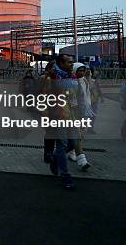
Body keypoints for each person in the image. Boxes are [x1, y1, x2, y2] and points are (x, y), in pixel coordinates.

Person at [47, 54, 77, 190]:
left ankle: (54, 157)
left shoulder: (68, 75)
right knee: (62, 144)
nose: (72, 64)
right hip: (57, 116)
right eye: (69, 62)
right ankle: (65, 175)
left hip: (69, 114)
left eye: (72, 62)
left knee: (72, 144)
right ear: (61, 63)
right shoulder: (52, 77)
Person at [87, 67, 104, 133]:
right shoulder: (82, 80)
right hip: (86, 101)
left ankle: (90, 128)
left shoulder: (94, 81)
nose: (88, 72)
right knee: (85, 115)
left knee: (93, 115)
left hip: (94, 100)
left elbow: (98, 88)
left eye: (89, 70)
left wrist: (102, 97)